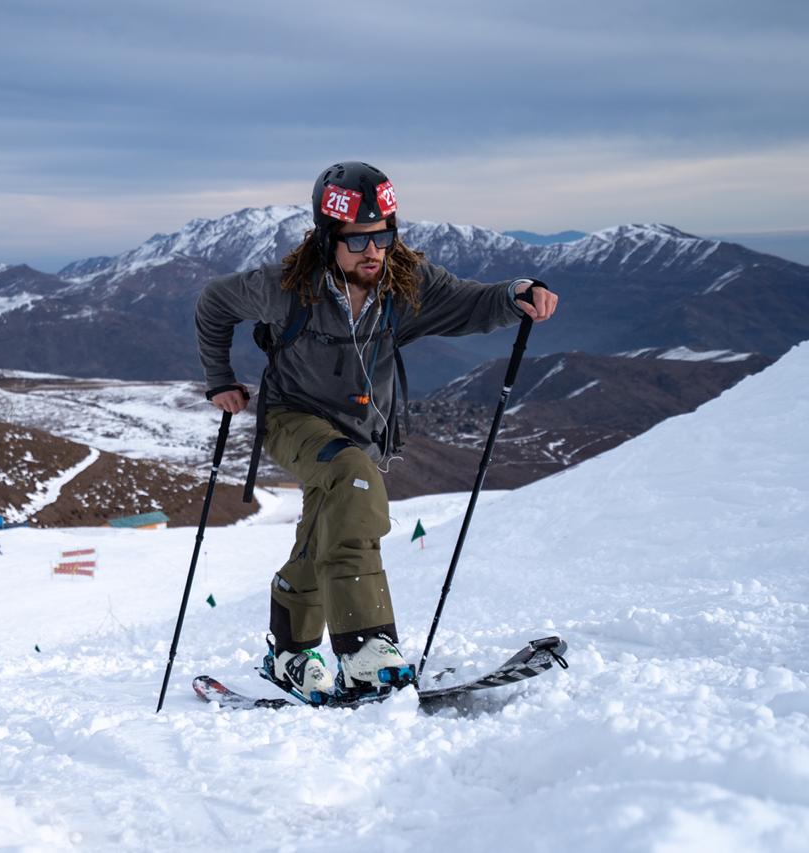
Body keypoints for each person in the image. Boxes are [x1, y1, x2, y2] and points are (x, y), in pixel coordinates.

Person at [194, 161, 559, 703]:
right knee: (353, 478)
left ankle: (290, 652)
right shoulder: (286, 290)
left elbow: (470, 302)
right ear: (326, 239)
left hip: (360, 432)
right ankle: (366, 649)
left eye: (383, 236)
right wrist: (220, 379)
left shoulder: (406, 287)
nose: (373, 251)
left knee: (328, 523)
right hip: (293, 420)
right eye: (357, 240)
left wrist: (517, 293)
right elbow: (214, 303)